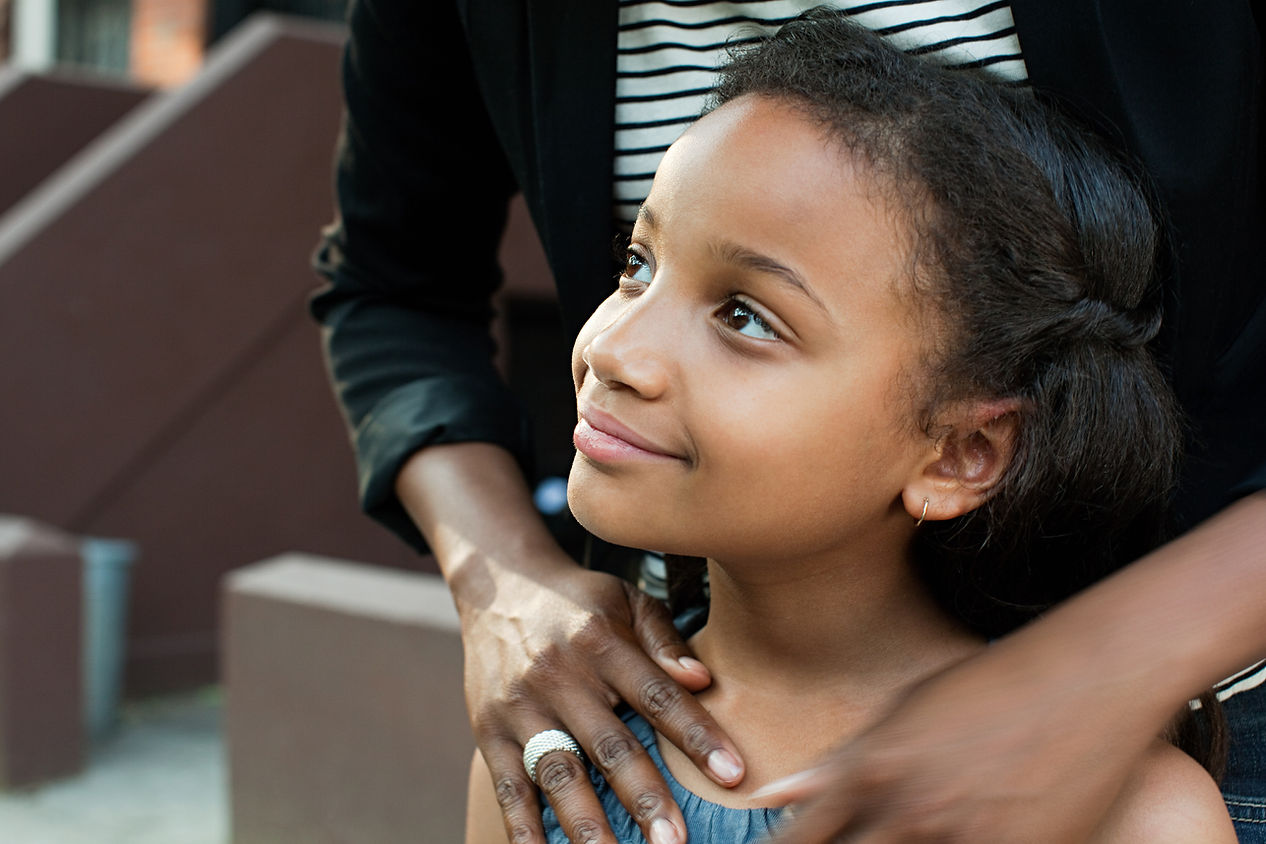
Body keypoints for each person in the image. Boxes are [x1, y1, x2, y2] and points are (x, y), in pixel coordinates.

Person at [311, 1, 1266, 841]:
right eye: (632, 263)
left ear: (965, 448)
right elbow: (393, 282)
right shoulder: (563, 775)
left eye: (745, 316)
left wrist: (1114, 669)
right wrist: (500, 584)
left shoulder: (1140, 816)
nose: (610, 349)